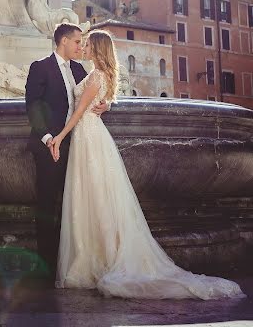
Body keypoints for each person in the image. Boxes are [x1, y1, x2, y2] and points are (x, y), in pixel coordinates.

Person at [51, 30, 245, 300]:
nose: (84, 48)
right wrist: (105, 106)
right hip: (92, 136)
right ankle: (95, 254)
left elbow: (79, 111)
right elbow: (100, 102)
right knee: (97, 197)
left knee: (92, 196)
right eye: (82, 44)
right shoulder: (103, 75)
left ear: (98, 49)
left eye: (88, 45)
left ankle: (92, 259)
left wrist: (59, 136)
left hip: (88, 136)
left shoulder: (96, 76)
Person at [25, 23, 109, 282]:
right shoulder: (40, 67)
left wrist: (106, 106)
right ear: (63, 41)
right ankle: (46, 268)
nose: (80, 46)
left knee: (74, 205)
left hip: (80, 145)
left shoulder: (79, 69)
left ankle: (71, 263)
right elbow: (32, 105)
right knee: (48, 205)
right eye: (76, 41)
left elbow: (90, 98)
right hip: (50, 146)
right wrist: (49, 137)